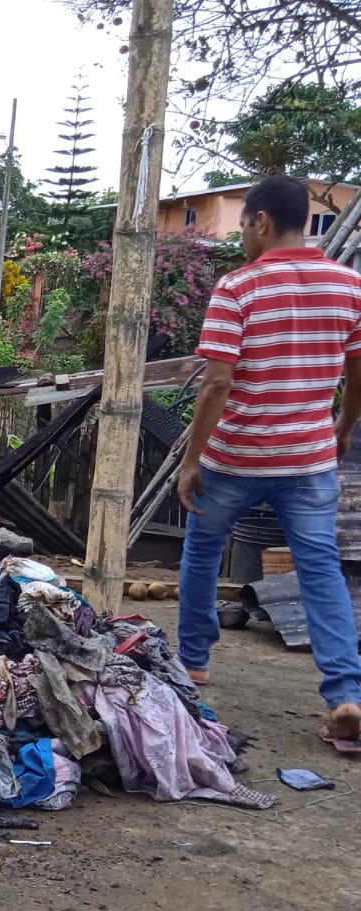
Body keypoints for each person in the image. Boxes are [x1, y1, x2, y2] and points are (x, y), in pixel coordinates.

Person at [175, 173, 361, 745]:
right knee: (321, 570)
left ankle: (194, 665)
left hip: (236, 459)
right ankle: (346, 695)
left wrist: (191, 459)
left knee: (204, 555)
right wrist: (343, 427)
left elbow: (216, 384)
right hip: (308, 460)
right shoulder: (348, 286)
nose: (239, 239)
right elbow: (358, 373)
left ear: (259, 220)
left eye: (241, 227)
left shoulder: (239, 288)